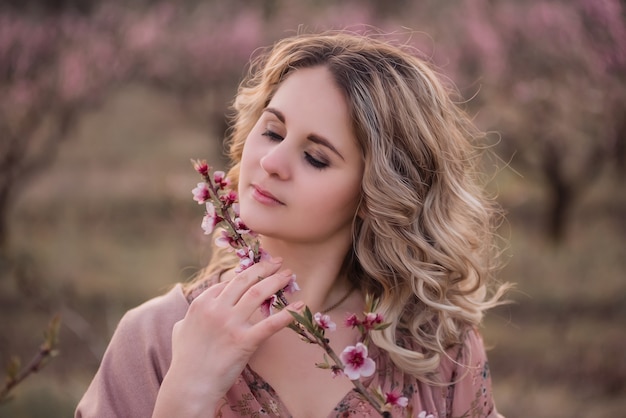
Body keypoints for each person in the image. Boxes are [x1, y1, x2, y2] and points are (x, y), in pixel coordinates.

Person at [75, 30, 509, 418]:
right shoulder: (154, 339)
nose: (272, 162)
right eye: (273, 132)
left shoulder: (434, 354)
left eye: (316, 157)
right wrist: (186, 396)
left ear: (374, 193)